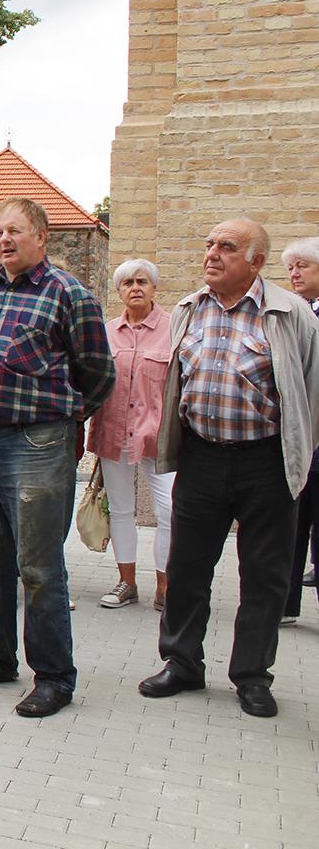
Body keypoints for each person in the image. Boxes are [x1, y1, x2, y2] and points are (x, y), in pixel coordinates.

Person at [0, 197, 115, 719]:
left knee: (38, 567)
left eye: (15, 231)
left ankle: (55, 677)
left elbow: (99, 374)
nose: (4, 240)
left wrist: (59, 420)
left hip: (36, 444)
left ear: (41, 236)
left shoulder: (70, 294)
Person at [139, 219, 319, 719]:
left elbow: (312, 393)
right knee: (188, 566)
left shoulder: (292, 313)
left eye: (227, 247)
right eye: (209, 244)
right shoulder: (188, 309)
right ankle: (181, 663)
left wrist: (299, 454)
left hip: (266, 461)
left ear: (256, 262)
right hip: (201, 457)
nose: (212, 254)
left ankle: (252, 676)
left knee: (264, 575)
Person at [86, 259, 175, 611]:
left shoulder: (174, 328)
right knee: (121, 510)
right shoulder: (106, 331)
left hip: (158, 435)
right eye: (127, 283)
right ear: (119, 291)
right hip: (113, 431)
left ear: (154, 287)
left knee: (170, 511)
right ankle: (127, 581)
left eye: (142, 281)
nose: (135, 288)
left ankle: (165, 586)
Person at [283, 238, 319, 622]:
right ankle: (285, 604)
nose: (294, 274)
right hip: (296, 439)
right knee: (291, 526)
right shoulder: (292, 312)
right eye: (291, 267)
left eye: (302, 266)